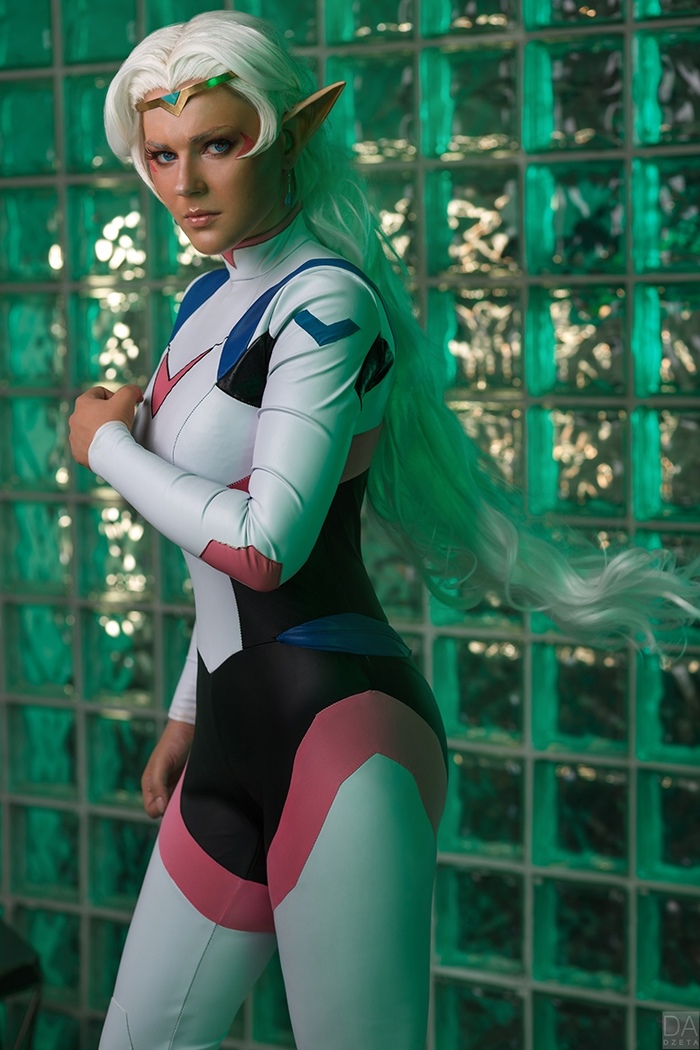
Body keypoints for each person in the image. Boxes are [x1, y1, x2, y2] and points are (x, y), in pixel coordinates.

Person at [68, 11, 700, 1050]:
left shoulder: (325, 303)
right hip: (227, 733)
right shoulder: (204, 299)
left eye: (217, 144)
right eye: (163, 155)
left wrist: (105, 448)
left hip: (339, 739)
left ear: (288, 136)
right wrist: (187, 709)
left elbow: (264, 546)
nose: (187, 184)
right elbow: (214, 563)